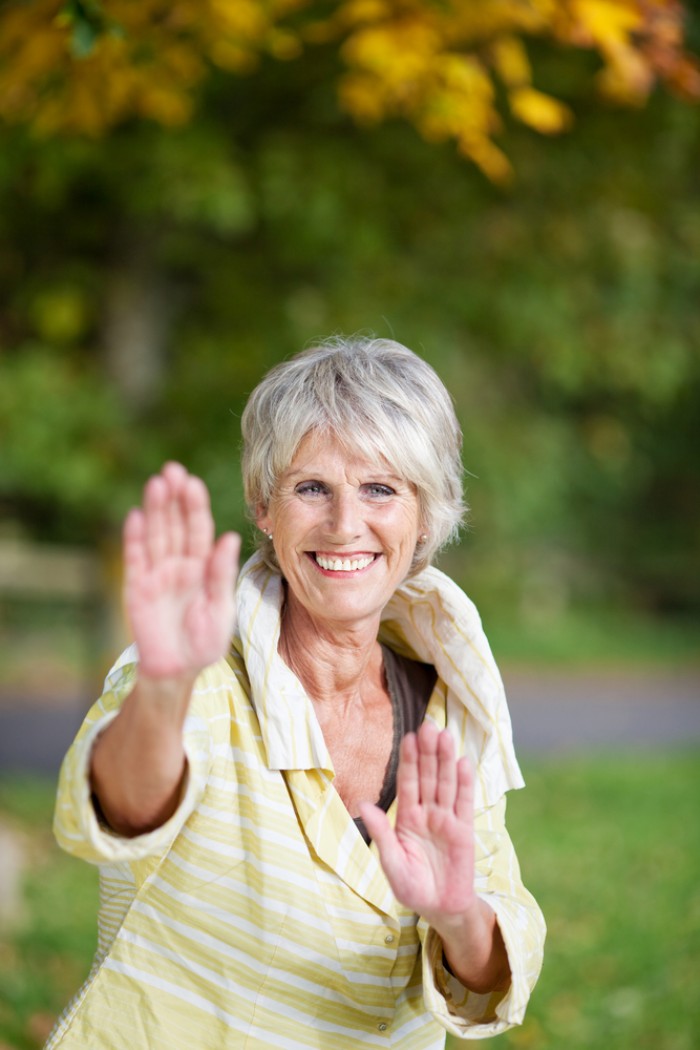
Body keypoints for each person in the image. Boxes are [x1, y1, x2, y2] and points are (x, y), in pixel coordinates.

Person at [47, 336, 545, 1050]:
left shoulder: (450, 704)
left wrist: (456, 912)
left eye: (381, 488)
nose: (345, 524)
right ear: (263, 507)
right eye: (312, 488)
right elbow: (123, 810)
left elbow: (496, 958)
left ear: (426, 516)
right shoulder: (196, 671)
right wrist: (162, 688)